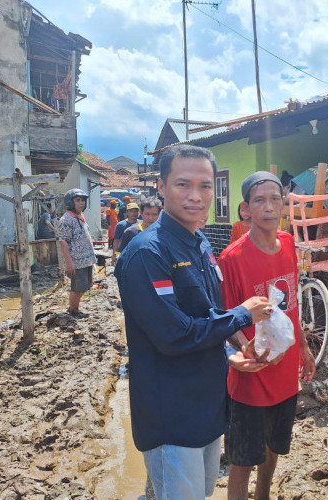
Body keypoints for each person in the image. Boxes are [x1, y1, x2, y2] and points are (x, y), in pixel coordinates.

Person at [115, 145, 273, 500]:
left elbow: (209, 311)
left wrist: (239, 343)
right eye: (182, 184)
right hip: (171, 415)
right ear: (160, 186)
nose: (196, 197)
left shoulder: (199, 242)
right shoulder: (146, 254)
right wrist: (243, 313)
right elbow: (174, 335)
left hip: (207, 405)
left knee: (199, 493)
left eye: (205, 186)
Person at [218, 171, 316, 500]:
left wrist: (302, 346)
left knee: (274, 446)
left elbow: (293, 305)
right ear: (246, 209)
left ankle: (263, 496)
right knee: (243, 458)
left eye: (275, 199)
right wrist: (245, 348)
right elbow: (225, 320)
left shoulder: (289, 244)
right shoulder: (232, 259)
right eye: (259, 200)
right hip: (251, 372)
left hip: (285, 371)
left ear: (284, 204)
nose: (269, 207)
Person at [57, 188, 96, 318]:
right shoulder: (66, 219)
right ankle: (73, 311)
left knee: (85, 286)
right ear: (70, 202)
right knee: (77, 288)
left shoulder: (80, 217)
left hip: (86, 260)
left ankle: (74, 308)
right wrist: (69, 263)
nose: (81, 203)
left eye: (83, 200)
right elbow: (63, 242)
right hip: (77, 262)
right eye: (78, 200)